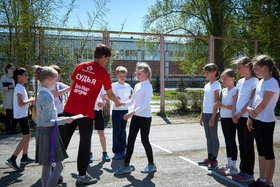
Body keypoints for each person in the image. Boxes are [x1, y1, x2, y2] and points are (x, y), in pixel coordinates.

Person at [61, 44, 122, 186]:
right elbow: (110, 93)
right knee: (85, 143)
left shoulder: (81, 66)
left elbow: (72, 85)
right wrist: (117, 103)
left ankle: (52, 169)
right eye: (108, 58)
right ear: (104, 57)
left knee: (63, 140)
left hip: (69, 108)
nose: (107, 61)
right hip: (85, 113)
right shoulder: (103, 73)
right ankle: (82, 175)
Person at [34, 66, 74, 187]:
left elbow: (44, 120)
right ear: (50, 79)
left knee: (46, 166)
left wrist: (61, 119)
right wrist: (64, 120)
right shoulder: (46, 96)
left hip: (45, 132)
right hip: (48, 133)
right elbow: (46, 122)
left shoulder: (43, 94)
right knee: (59, 166)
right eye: (56, 79)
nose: (57, 82)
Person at [114, 63, 156, 175]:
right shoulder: (137, 86)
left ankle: (151, 164)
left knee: (144, 140)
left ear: (146, 74)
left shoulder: (148, 86)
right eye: (137, 74)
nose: (137, 76)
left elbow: (145, 105)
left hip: (145, 118)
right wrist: (123, 103)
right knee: (130, 140)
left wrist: (131, 113)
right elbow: (132, 102)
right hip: (136, 117)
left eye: (140, 74)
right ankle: (126, 165)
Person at [247, 55, 280, 187]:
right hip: (257, 119)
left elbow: (263, 104)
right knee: (261, 151)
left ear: (265, 68)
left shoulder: (272, 82)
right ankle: (262, 179)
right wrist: (250, 118)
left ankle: (269, 183)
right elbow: (255, 101)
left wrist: (252, 115)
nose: (254, 71)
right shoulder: (261, 82)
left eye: (256, 68)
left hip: (266, 121)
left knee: (268, 152)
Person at [231, 57, 259, 183]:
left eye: (239, 68)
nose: (238, 70)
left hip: (247, 117)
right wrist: (234, 113)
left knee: (248, 145)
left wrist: (241, 112)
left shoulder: (255, 81)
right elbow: (236, 97)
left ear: (248, 67)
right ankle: (243, 171)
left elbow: (251, 100)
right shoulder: (241, 81)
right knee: (242, 145)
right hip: (238, 117)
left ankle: (249, 173)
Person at [5, 67, 35, 171]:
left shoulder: (20, 86)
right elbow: (20, 103)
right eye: (25, 75)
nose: (27, 77)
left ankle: (25, 157)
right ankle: (12, 159)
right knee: (26, 137)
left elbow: (21, 102)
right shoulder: (19, 87)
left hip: (22, 114)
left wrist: (29, 101)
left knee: (28, 136)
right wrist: (31, 100)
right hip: (21, 115)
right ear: (19, 77)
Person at [215, 69, 238, 176]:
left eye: (225, 79)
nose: (223, 81)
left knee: (232, 141)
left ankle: (234, 166)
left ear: (233, 78)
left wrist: (221, 106)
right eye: (222, 79)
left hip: (231, 118)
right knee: (227, 141)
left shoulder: (235, 90)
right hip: (224, 118)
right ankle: (229, 164)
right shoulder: (224, 91)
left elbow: (234, 107)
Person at [198, 63, 221, 170]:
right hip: (206, 114)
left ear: (215, 72)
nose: (206, 74)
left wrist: (213, 117)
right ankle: (209, 157)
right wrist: (201, 116)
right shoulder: (207, 85)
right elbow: (204, 101)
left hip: (213, 114)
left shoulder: (217, 85)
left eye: (208, 72)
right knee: (208, 136)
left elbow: (216, 102)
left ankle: (214, 159)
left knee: (213, 135)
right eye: (205, 72)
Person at [50, 64, 70, 184]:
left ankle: (57, 166)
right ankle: (54, 168)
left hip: (62, 114)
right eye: (56, 75)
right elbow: (55, 94)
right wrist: (68, 89)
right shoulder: (48, 86)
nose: (58, 77)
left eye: (59, 75)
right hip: (53, 116)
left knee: (61, 140)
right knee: (54, 142)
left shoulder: (59, 84)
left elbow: (69, 87)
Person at [111, 66, 133, 160]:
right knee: (117, 131)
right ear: (117, 76)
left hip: (125, 110)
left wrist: (130, 97)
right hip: (116, 111)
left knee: (123, 131)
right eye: (120, 76)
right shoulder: (114, 85)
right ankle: (116, 151)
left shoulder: (128, 86)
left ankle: (122, 150)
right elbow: (112, 96)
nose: (122, 77)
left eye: (124, 76)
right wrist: (116, 98)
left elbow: (131, 95)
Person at [89, 86, 111, 163]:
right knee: (88, 134)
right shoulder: (89, 83)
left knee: (101, 132)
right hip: (88, 111)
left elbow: (104, 99)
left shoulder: (101, 86)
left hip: (98, 111)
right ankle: (89, 154)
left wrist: (103, 103)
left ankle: (104, 153)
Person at [0, 63, 17, 134]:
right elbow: (1, 88)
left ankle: (13, 128)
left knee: (15, 114)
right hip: (8, 98)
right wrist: (8, 87)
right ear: (7, 69)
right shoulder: (4, 77)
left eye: (14, 69)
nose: (13, 70)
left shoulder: (15, 77)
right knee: (8, 114)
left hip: (15, 98)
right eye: (11, 68)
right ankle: (8, 128)